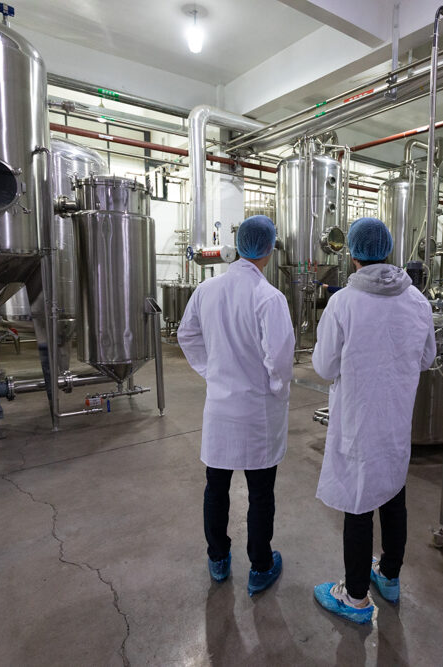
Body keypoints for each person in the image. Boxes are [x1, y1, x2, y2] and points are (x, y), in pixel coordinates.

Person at [311, 217, 436, 623]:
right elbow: (428, 359)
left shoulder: (343, 303)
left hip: (358, 421)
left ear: (352, 255)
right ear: (388, 250)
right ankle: (390, 577)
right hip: (396, 421)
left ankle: (356, 598)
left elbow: (325, 366)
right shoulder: (416, 300)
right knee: (394, 496)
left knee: (359, 504)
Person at [178, 215, 295, 597]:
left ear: (239, 245)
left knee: (216, 487)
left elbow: (187, 334)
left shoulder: (207, 289)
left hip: (220, 409)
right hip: (257, 411)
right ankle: (260, 566)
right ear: (268, 250)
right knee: (261, 492)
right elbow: (280, 359)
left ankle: (217, 558)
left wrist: (209, 371)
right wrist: (275, 389)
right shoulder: (269, 298)